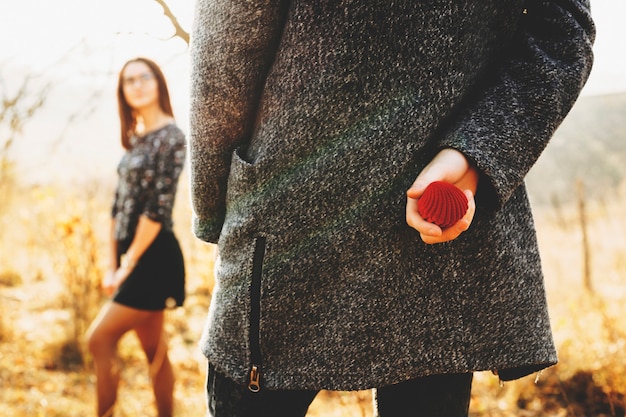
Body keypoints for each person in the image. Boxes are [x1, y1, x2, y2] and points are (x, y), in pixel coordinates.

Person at [188, 1, 595, 416]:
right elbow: (562, 30)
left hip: (298, 220)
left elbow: (225, 57)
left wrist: (212, 209)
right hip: (422, 236)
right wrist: (473, 155)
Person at [86, 57, 186, 417]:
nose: (138, 84)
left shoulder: (172, 137)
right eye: (129, 81)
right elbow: (117, 207)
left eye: (145, 77)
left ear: (158, 82)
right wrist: (111, 264)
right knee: (154, 350)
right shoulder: (135, 140)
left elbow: (157, 210)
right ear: (123, 92)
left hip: (154, 256)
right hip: (128, 254)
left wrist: (127, 266)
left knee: (98, 338)